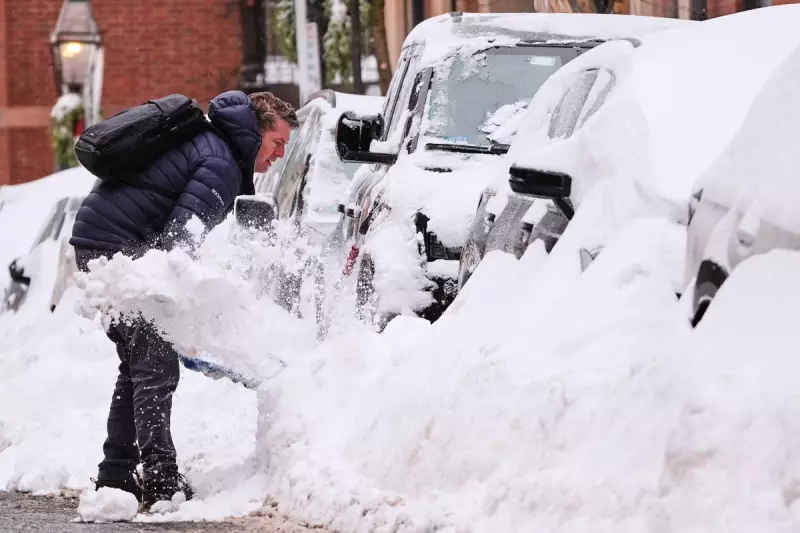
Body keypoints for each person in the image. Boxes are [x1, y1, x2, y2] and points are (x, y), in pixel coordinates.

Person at [69, 90, 299, 508]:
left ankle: (116, 474)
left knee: (140, 364)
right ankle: (160, 479)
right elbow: (179, 242)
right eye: (277, 143)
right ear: (255, 134)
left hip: (103, 243)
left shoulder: (212, 147)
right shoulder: (221, 164)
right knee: (156, 367)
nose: (279, 155)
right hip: (115, 249)